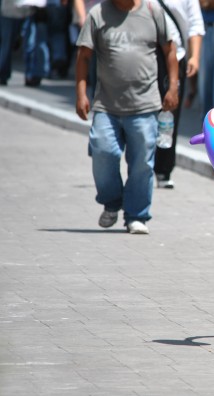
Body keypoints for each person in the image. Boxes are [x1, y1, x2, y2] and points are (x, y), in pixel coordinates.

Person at [74, 0, 179, 234]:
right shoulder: (97, 14)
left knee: (142, 163)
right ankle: (112, 202)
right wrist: (81, 94)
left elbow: (170, 50)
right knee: (103, 151)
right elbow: (83, 57)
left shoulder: (153, 11)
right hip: (106, 105)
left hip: (145, 104)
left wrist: (173, 88)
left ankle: (137, 215)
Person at [154, 0, 205, 189]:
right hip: (146, 57)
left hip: (176, 58)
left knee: (169, 114)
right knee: (142, 112)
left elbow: (196, 24)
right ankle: (141, 164)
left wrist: (194, 57)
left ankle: (163, 169)